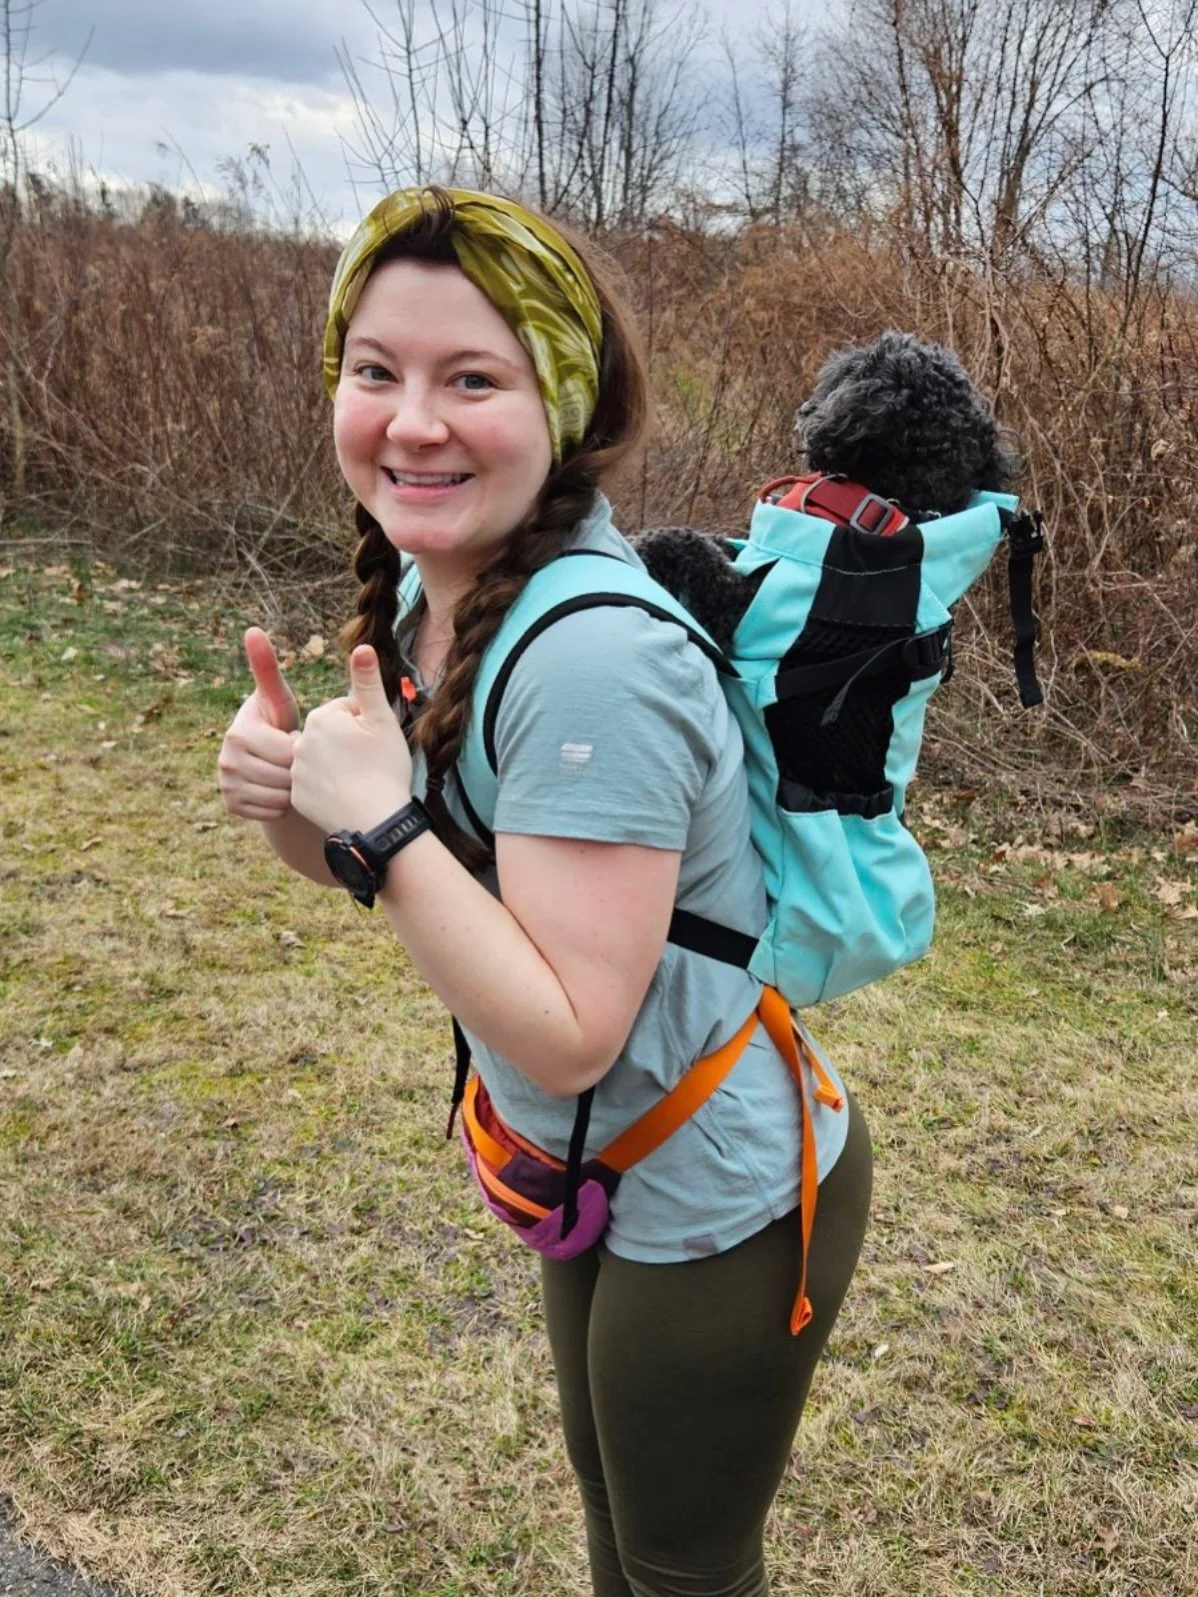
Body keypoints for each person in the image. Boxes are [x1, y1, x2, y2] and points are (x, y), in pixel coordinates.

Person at [217, 186, 873, 1597]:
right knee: (618, 1527)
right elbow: (409, 890)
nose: (410, 421)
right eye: (374, 371)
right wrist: (298, 805)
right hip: (598, 1160)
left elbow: (569, 1023)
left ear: (562, 403)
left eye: (472, 379)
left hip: (717, 1192)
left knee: (678, 1563)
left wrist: (379, 821)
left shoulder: (588, 658)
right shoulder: (437, 593)